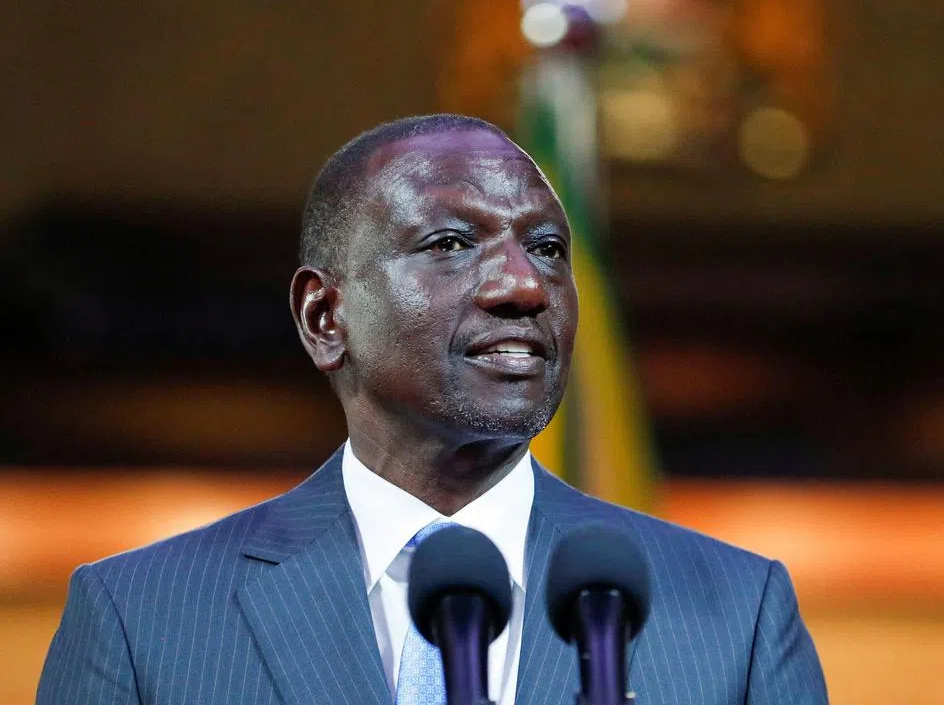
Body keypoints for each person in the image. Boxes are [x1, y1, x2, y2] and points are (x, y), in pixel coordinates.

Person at [38, 114, 828, 704]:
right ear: (324, 318)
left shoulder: (736, 617)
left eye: (549, 249)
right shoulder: (142, 619)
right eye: (451, 242)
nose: (522, 286)